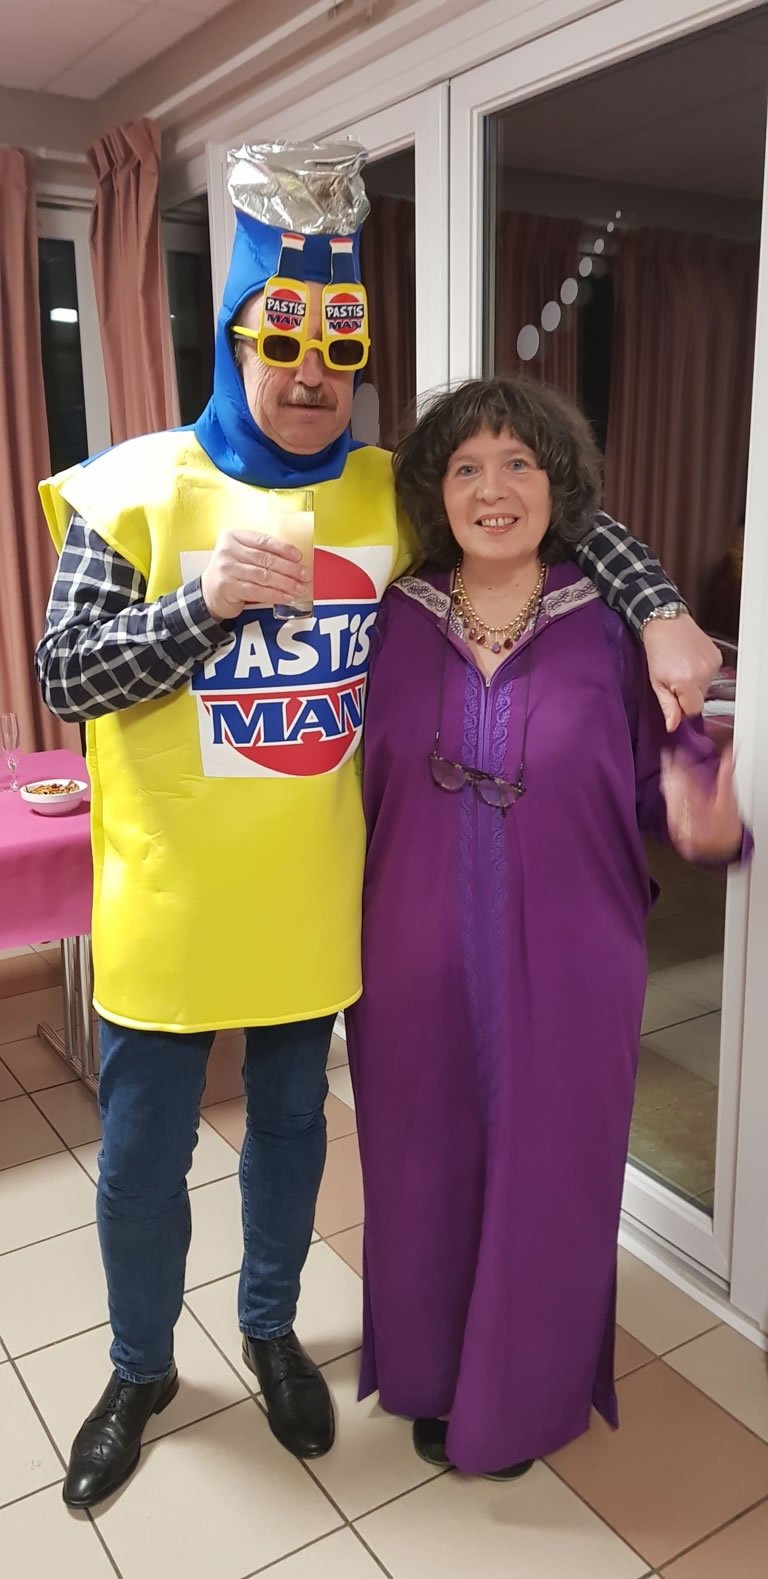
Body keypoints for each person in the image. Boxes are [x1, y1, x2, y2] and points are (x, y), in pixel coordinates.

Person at [35, 140, 717, 1511]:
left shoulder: (383, 491)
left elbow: (551, 514)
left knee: (293, 1138)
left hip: (316, 904)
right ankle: (138, 1368)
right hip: (170, 908)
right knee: (143, 1161)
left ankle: (274, 1330)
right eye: (281, 339)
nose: (309, 371)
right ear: (237, 337)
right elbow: (64, 674)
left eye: (336, 345)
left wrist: (656, 605)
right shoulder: (129, 487)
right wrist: (202, 603)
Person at [345, 376, 746, 1481]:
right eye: (467, 466)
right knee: (422, 1165)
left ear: (556, 483)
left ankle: (518, 1400)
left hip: (574, 960)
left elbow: (680, 794)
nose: (494, 488)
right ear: (435, 493)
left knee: (550, 1176)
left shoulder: (616, 628)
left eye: (518, 462)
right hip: (409, 953)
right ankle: (432, 1375)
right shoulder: (388, 620)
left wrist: (704, 816)